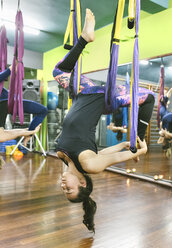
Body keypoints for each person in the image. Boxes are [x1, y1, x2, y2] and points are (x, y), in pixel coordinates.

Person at [53, 9, 155, 233]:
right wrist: (136, 148)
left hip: (84, 92)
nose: (63, 187)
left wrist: (122, 145)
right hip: (106, 98)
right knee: (148, 97)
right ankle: (139, 134)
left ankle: (84, 38)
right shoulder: (89, 165)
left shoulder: (65, 158)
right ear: (82, 184)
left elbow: (106, 152)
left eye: (63, 191)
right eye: (68, 190)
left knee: (59, 71)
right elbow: (115, 157)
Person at [0, 65, 48, 145]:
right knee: (1, 135)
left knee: (43, 110)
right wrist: (10, 69)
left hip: (12, 102)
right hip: (2, 105)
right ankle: (28, 133)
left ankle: (29, 134)